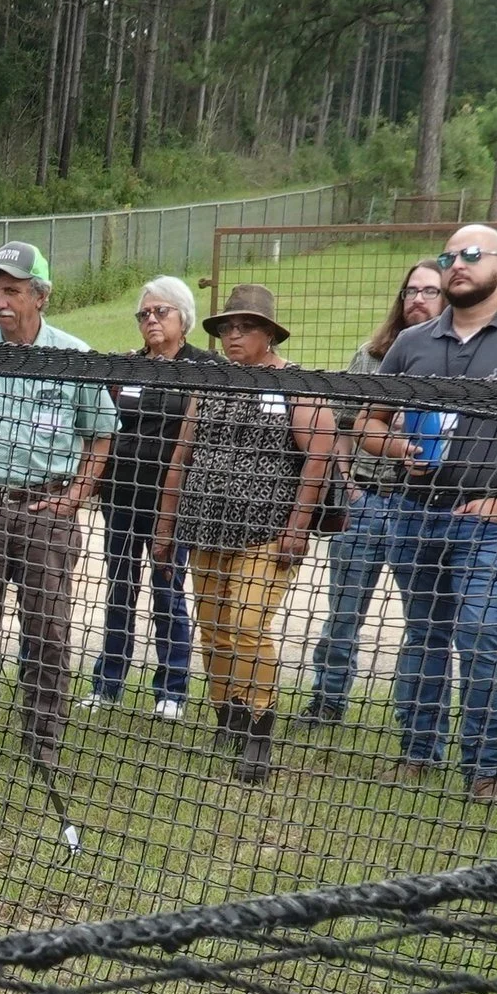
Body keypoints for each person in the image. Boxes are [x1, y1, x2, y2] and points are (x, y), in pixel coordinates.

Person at [358, 226, 497, 805]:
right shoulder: (413, 344)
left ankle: (485, 770)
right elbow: (369, 424)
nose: (457, 264)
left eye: (471, 255)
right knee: (424, 636)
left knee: (478, 633)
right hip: (414, 515)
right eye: (449, 256)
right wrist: (400, 449)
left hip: (484, 521)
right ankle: (417, 752)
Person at [0, 241, 116, 771]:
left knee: (49, 632)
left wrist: (74, 498)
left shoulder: (73, 356)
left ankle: (45, 740)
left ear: (40, 296)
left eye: (11, 290)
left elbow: (101, 434)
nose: (1, 301)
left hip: (46, 513)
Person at [155, 285, 338, 787]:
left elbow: (319, 457)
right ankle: (228, 714)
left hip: (267, 531)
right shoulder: (210, 382)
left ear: (268, 334)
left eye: (246, 327)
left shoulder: (296, 383)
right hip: (204, 528)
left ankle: (260, 726)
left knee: (248, 624)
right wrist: (166, 528)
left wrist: (297, 529)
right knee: (213, 627)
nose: (234, 336)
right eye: (227, 328)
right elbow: (181, 457)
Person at [297, 261, 444, 727]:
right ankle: (328, 701)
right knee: (343, 612)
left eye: (429, 291)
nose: (417, 299)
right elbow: (337, 423)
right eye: (410, 291)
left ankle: (413, 718)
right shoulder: (371, 356)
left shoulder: (459, 361)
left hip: (420, 504)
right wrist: (348, 486)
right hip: (367, 501)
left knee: (421, 619)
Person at [79, 276, 215, 720]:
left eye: (161, 312)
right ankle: (108, 683)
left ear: (184, 318)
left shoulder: (204, 368)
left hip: (169, 503)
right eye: (144, 313)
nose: (151, 320)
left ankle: (172, 690)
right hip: (121, 498)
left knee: (167, 591)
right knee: (119, 589)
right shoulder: (128, 367)